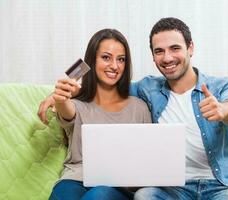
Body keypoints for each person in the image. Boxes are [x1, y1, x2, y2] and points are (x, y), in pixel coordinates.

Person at [39, 18, 228, 200]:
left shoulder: (220, 86)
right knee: (143, 196)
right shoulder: (149, 90)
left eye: (175, 48)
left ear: (191, 48)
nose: (167, 58)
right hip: (173, 189)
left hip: (221, 185)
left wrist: (223, 110)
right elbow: (105, 82)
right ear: (153, 55)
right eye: (159, 51)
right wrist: (59, 92)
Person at [48, 29, 151, 200]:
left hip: (118, 186)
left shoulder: (139, 107)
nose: (115, 66)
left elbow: (146, 160)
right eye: (105, 57)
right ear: (92, 60)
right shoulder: (77, 105)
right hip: (75, 179)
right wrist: (57, 96)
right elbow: (64, 100)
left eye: (121, 59)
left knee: (99, 195)